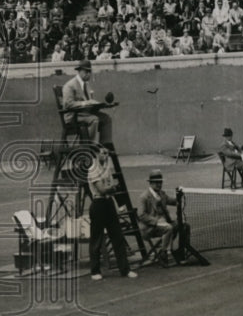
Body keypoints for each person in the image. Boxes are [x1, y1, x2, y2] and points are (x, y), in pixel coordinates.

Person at [87, 146, 136, 279]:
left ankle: (125, 270)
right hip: (98, 205)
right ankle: (95, 271)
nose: (106, 156)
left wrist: (113, 192)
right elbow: (102, 190)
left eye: (107, 153)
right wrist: (114, 188)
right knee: (96, 239)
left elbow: (109, 188)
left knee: (117, 236)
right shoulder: (92, 169)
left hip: (108, 204)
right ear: (97, 154)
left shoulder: (107, 168)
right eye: (103, 153)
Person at [61, 59, 113, 144]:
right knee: (94, 120)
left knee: (106, 118)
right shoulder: (70, 85)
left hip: (85, 113)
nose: (88, 74)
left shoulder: (86, 84)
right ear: (79, 71)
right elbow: (68, 104)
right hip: (74, 116)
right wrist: (85, 103)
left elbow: (88, 101)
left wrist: (96, 104)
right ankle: (90, 147)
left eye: (89, 71)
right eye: (86, 71)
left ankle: (105, 145)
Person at [137, 170, 178, 265]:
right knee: (168, 228)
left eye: (160, 182)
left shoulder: (162, 194)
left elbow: (173, 201)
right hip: (149, 228)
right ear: (150, 183)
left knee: (183, 225)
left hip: (163, 223)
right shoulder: (144, 197)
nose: (159, 185)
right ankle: (163, 253)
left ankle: (178, 250)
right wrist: (156, 222)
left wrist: (181, 195)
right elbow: (141, 215)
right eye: (156, 182)